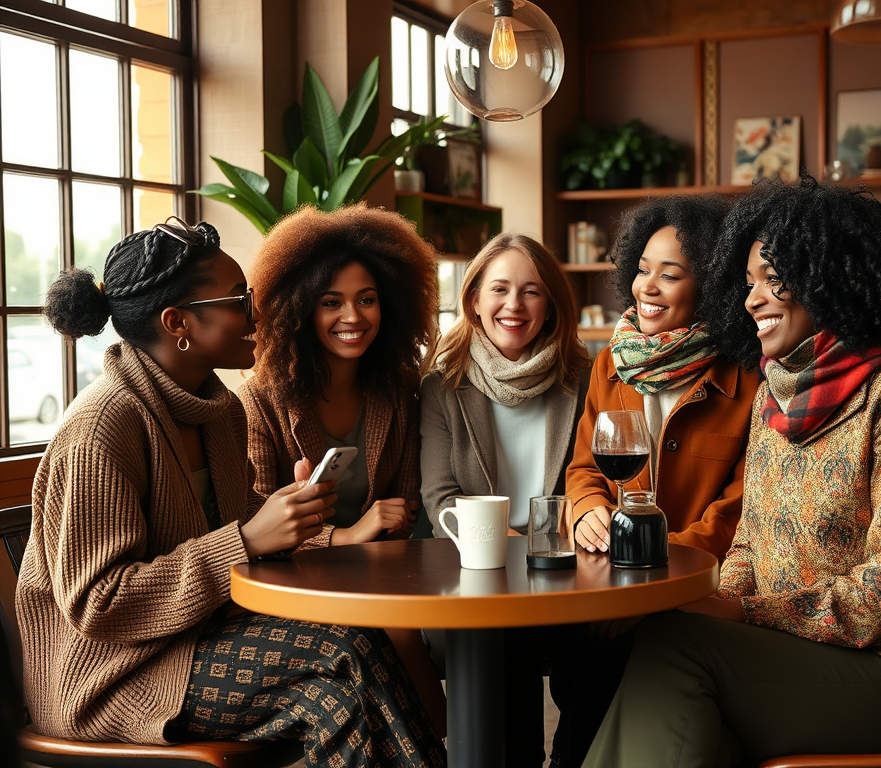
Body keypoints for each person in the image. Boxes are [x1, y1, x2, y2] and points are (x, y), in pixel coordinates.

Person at [17, 217, 445, 768]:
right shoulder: (104, 426)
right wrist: (244, 539)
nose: (258, 313)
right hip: (111, 676)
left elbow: (253, 533)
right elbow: (99, 603)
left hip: (199, 638)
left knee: (357, 648)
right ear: (178, 323)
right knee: (339, 658)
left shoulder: (216, 412)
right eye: (239, 299)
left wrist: (295, 521)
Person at [584, 176, 881, 767]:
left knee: (676, 653)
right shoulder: (777, 395)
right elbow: (747, 549)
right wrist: (721, 598)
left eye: (773, 279)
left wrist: (742, 611)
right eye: (747, 284)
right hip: (783, 652)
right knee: (679, 694)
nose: (751, 300)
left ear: (831, 277)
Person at [236, 204, 446, 736]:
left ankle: (444, 740)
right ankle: (443, 740)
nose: (353, 317)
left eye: (367, 299)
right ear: (300, 309)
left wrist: (386, 525)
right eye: (332, 302)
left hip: (382, 569)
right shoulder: (260, 398)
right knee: (395, 629)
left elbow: (406, 498)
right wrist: (346, 536)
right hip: (294, 583)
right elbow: (253, 522)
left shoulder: (397, 387)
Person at [419, 233, 592, 768]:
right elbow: (440, 498)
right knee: (501, 650)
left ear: (552, 304)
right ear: (473, 299)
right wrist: (514, 548)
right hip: (481, 571)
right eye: (499, 289)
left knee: (600, 662)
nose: (514, 306)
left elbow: (594, 482)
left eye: (532, 291)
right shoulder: (443, 386)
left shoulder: (584, 378)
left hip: (568, 567)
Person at [566, 195, 759, 562]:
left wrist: (659, 558)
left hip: (697, 578)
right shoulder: (610, 364)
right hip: (609, 567)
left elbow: (739, 509)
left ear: (712, 287)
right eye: (642, 270)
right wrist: (586, 508)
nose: (647, 288)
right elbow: (585, 469)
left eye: (669, 275)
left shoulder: (747, 381)